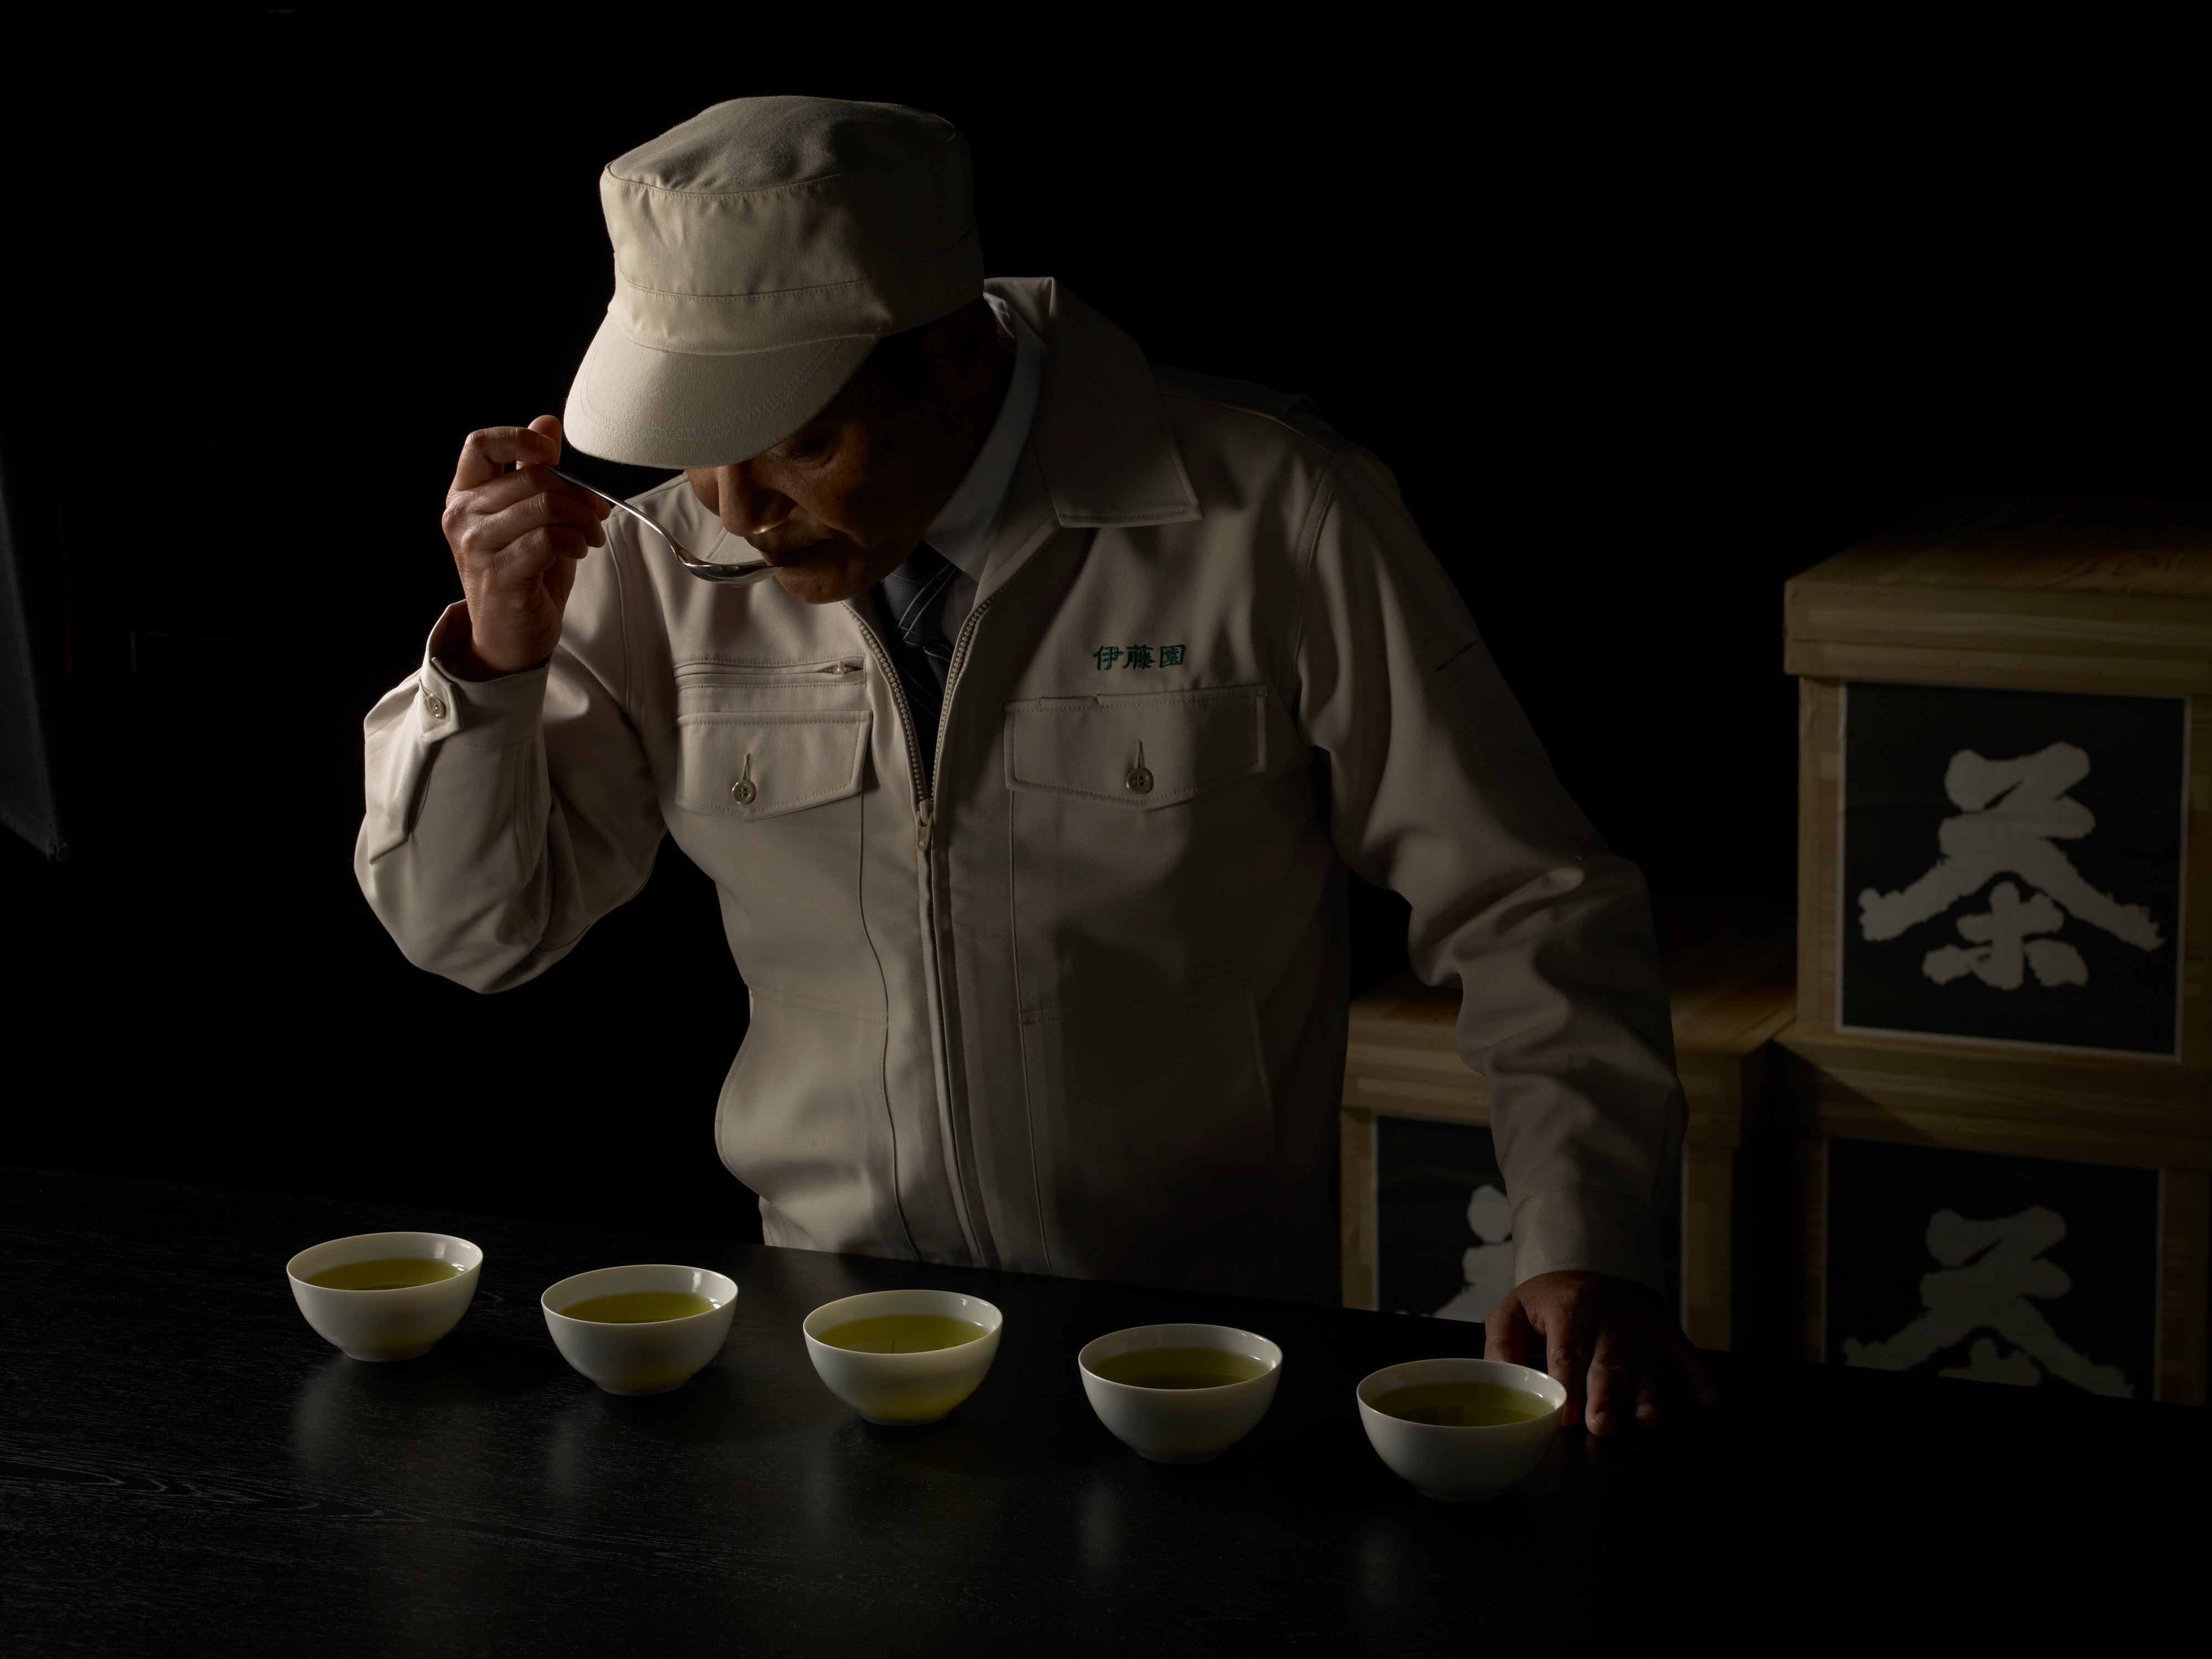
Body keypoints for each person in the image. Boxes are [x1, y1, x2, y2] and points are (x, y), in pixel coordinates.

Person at [357, 96, 1712, 1436]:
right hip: (825, 1349)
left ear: (958, 355)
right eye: (699, 444)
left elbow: (1525, 899)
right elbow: (476, 933)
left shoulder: (1273, 515)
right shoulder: (654, 569)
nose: (739, 509)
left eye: (801, 440)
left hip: (1206, 1356)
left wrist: (1586, 1240)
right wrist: (492, 666)